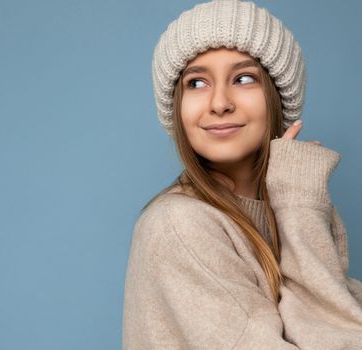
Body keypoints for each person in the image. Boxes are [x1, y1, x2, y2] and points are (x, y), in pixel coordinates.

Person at [122, 0, 362, 348]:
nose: (220, 103)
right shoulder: (179, 225)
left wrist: (298, 206)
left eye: (244, 78)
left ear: (277, 98)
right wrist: (299, 205)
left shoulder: (294, 206)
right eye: (196, 83)